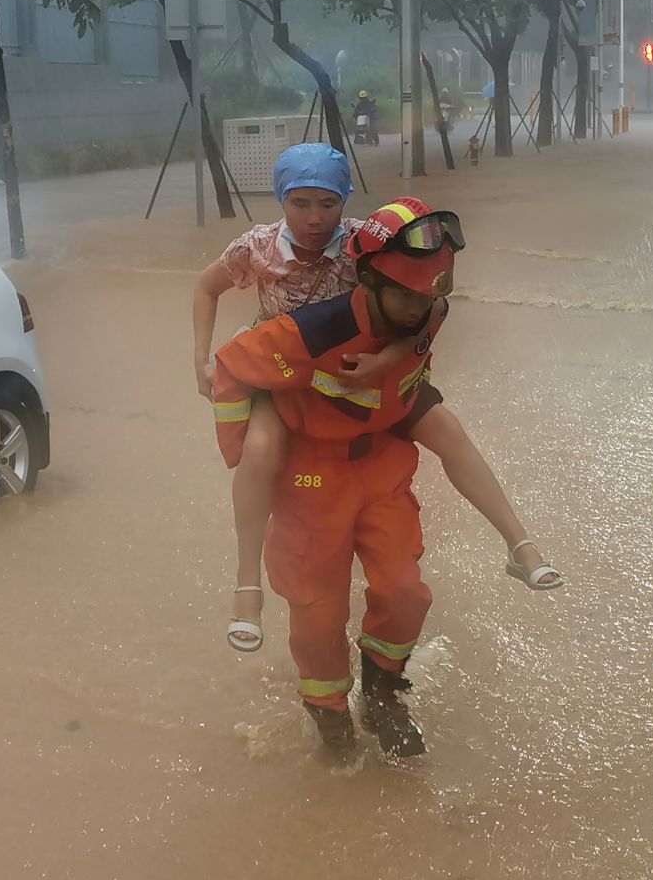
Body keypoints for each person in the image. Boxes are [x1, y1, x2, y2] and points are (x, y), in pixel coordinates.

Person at [191, 148, 560, 654]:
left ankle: (519, 544)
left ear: (345, 199)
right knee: (259, 452)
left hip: (371, 360)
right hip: (289, 366)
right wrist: (200, 360)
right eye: (300, 204)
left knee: (448, 432)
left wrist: (389, 360)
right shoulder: (256, 247)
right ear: (281, 200)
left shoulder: (368, 242)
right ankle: (246, 585)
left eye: (328, 202)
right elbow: (204, 288)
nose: (315, 217)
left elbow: (432, 299)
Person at [209, 199, 503, 758]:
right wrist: (248, 449)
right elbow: (231, 363)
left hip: (379, 464)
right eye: (301, 201)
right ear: (369, 281)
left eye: (430, 295)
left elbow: (427, 323)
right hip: (308, 473)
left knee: (403, 589)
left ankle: (385, 691)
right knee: (317, 608)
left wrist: (389, 355)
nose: (422, 306)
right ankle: (328, 715)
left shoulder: (425, 302)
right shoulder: (307, 320)